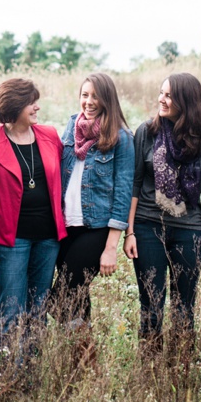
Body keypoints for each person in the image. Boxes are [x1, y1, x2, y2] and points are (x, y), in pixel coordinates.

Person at [0, 77, 67, 371]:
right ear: (15, 106)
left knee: (37, 309)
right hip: (10, 239)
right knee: (9, 309)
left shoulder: (50, 135)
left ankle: (28, 376)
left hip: (48, 238)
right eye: (31, 102)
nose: (37, 107)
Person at [124, 72, 201, 353]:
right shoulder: (146, 132)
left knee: (184, 303)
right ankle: (150, 367)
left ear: (186, 101)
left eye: (169, 95)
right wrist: (130, 231)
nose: (161, 99)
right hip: (147, 225)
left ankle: (180, 366)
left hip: (189, 227)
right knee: (151, 301)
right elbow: (135, 184)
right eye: (161, 92)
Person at [54, 72, 135, 358]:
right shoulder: (71, 126)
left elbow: (124, 192)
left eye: (95, 96)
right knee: (77, 294)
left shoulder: (121, 138)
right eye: (85, 94)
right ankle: (83, 359)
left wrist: (111, 247)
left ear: (107, 99)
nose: (88, 101)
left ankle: (79, 353)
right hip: (65, 225)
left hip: (96, 227)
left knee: (61, 293)